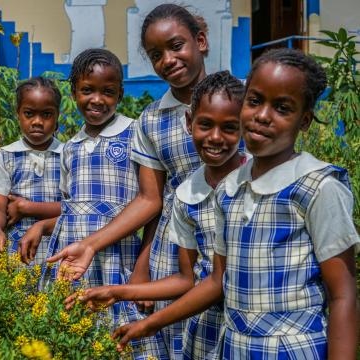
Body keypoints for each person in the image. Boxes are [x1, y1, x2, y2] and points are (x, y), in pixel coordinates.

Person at [112, 48, 360, 359]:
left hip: (294, 348)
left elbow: (342, 295)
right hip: (235, 347)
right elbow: (217, 280)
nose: (262, 115)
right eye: (254, 101)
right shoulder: (229, 190)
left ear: (305, 120)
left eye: (282, 108)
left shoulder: (318, 186)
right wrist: (151, 323)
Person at [45, 4, 209, 357]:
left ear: (201, 41)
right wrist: (102, 249)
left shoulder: (242, 99)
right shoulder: (152, 121)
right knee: (176, 340)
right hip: (174, 249)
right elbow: (152, 200)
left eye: (176, 46)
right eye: (155, 54)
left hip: (235, 237)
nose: (168, 59)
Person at [67, 71, 247, 359]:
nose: (215, 137)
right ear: (189, 124)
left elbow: (218, 280)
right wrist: (121, 291)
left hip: (255, 327)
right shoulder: (186, 195)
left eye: (229, 127)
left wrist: (147, 319)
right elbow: (190, 280)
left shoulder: (258, 184)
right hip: (204, 325)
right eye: (205, 124)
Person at [20, 48, 168, 359]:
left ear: (120, 93)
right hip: (75, 264)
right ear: (73, 91)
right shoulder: (70, 147)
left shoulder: (135, 133)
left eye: (108, 92)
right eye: (87, 90)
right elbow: (73, 210)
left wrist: (143, 267)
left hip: (119, 261)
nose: (97, 99)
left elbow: (152, 206)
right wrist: (41, 226)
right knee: (73, 334)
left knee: (123, 339)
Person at [0, 76, 63, 265]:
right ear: (18, 114)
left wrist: (27, 208)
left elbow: (74, 207)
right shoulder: (6, 157)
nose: (37, 121)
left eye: (47, 114)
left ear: (57, 116)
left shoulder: (69, 155)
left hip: (59, 249)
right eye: (29, 113)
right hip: (18, 253)